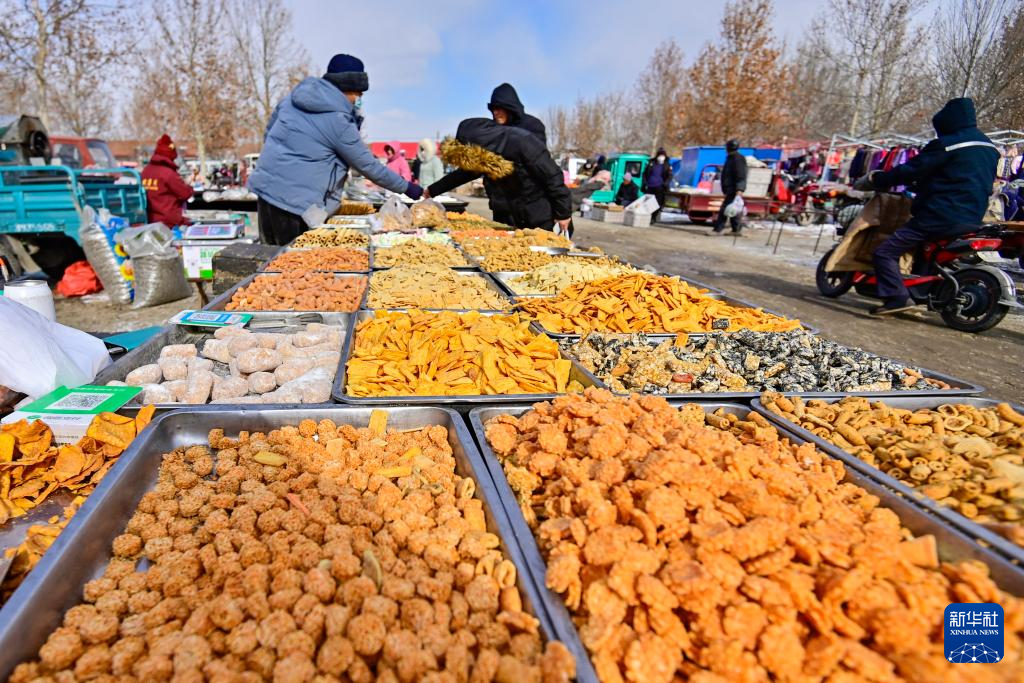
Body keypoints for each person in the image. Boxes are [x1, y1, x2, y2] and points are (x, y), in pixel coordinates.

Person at [248, 54, 422, 245]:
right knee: (291, 260)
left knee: (268, 256)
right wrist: (408, 188)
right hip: (295, 204)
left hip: (266, 191)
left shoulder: (290, 100)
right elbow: (368, 165)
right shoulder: (338, 120)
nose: (358, 100)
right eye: (358, 94)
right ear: (347, 88)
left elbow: (269, 134)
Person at [855, 97, 999, 315]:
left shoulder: (948, 144)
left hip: (939, 214)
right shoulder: (988, 147)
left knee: (884, 252)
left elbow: (911, 170)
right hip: (973, 216)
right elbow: (956, 177)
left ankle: (897, 297)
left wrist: (879, 179)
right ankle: (919, 294)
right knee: (926, 252)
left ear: (948, 122)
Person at [426, 118, 571, 232]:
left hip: (538, 216)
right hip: (505, 215)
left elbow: (552, 176)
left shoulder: (523, 142)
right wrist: (432, 190)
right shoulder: (485, 154)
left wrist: (563, 213)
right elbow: (462, 175)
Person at [141, 134, 194, 226]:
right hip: (169, 221)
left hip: (150, 219)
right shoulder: (168, 173)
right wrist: (190, 188)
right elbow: (185, 194)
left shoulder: (146, 171)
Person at [713, 139, 748, 235]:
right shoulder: (731, 158)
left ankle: (718, 229)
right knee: (733, 208)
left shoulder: (738, 159)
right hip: (730, 188)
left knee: (724, 209)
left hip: (734, 189)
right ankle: (736, 230)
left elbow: (741, 175)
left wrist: (739, 189)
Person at [642, 147, 672, 221]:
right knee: (648, 202)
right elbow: (645, 174)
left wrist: (665, 184)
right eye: (660, 155)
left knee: (657, 203)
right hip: (650, 186)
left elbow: (669, 176)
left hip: (660, 187)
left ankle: (653, 217)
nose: (661, 157)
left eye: (663, 155)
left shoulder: (667, 165)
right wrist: (644, 183)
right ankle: (647, 216)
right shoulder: (651, 163)